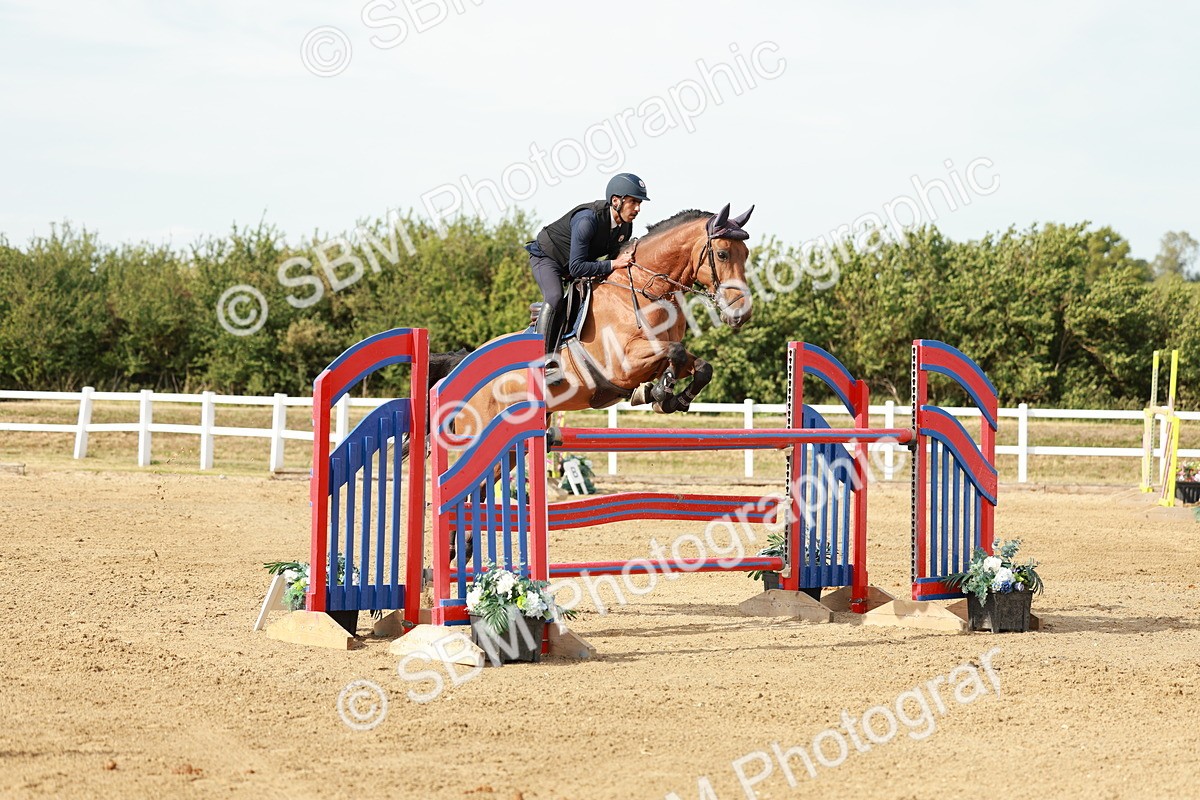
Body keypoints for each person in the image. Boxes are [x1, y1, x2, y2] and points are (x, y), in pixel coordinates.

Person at [526, 172, 650, 384]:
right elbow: (576, 268)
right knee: (555, 297)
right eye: (633, 202)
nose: (637, 208)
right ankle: (545, 363)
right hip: (548, 258)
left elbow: (611, 260)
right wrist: (612, 264)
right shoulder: (587, 220)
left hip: (576, 264)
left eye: (639, 203)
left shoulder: (625, 226)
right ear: (615, 200)